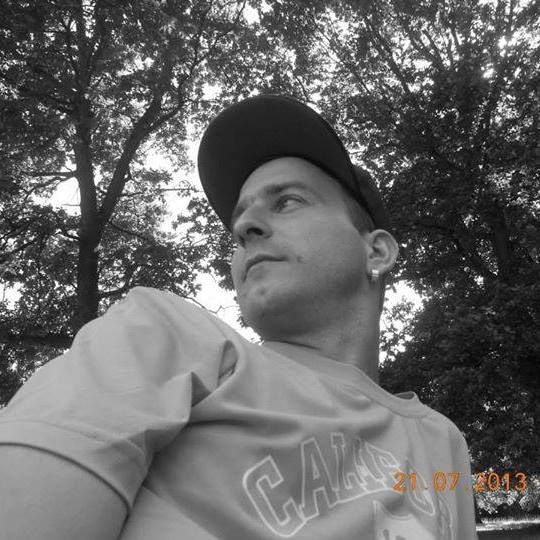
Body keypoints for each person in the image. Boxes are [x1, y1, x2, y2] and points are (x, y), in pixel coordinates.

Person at [0, 95, 478, 539]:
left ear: (375, 251)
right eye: (236, 228)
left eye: (287, 201)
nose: (245, 227)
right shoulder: (162, 336)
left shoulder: (442, 442)